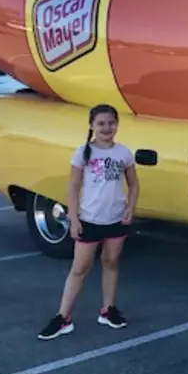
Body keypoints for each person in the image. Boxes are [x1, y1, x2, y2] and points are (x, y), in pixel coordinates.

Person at [38, 103, 139, 340]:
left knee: (111, 262)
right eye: (101, 123)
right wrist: (73, 219)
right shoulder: (83, 152)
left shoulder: (123, 153)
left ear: (117, 125)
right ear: (92, 126)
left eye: (111, 123)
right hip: (89, 219)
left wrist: (130, 209)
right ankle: (63, 317)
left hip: (115, 219)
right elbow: (73, 187)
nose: (106, 128)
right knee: (80, 268)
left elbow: (133, 184)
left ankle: (108, 310)